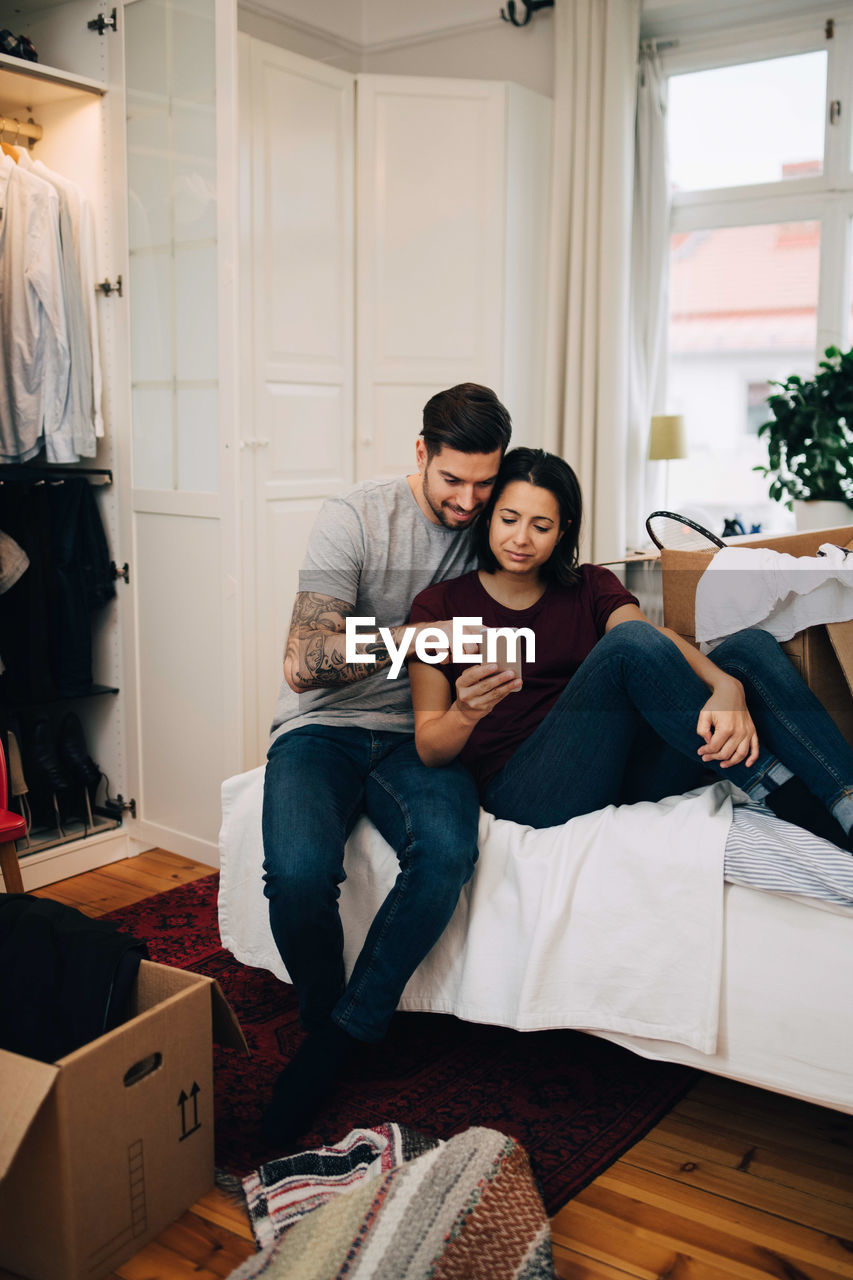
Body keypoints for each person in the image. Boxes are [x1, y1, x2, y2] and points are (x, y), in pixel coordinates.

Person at [261, 383, 513, 1144]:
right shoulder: (356, 516)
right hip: (325, 727)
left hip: (423, 736)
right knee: (301, 875)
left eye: (484, 484)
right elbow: (303, 660)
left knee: (444, 854)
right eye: (451, 481)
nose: (468, 503)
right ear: (420, 454)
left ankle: (342, 1036)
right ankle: (319, 1012)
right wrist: (417, 637)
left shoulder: (492, 525)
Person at [408, 447, 853, 848]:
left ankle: (846, 800)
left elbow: (653, 639)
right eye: (509, 520)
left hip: (624, 773)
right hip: (528, 790)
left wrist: (726, 685)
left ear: (562, 530)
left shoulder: (590, 584)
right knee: (625, 646)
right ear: (487, 518)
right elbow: (430, 748)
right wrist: (465, 711)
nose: (521, 538)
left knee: (748, 647)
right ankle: (777, 789)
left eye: (540, 525)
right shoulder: (439, 605)